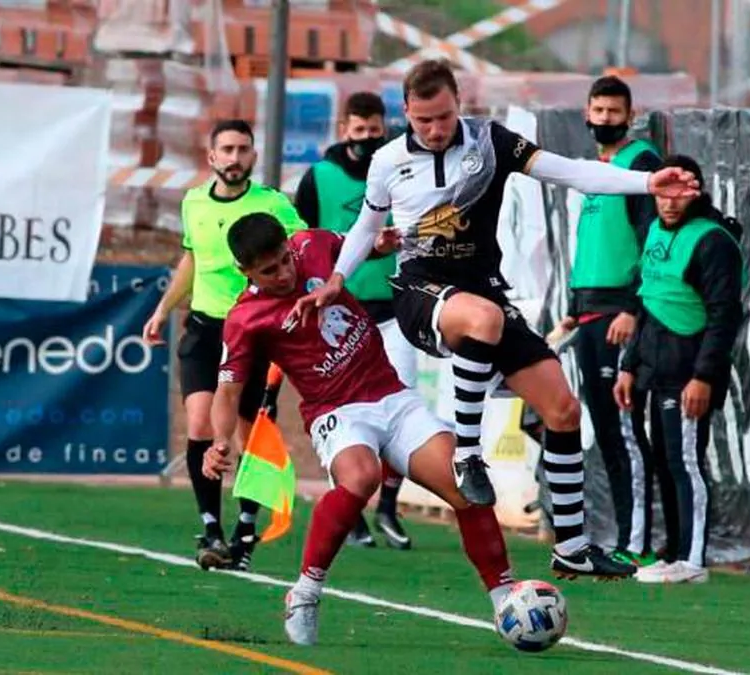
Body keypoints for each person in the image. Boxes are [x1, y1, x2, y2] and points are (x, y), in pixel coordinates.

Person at [290, 58, 700, 581]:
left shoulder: (491, 142)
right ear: (408, 115)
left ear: (460, 103)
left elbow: (569, 172)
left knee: (563, 408)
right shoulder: (389, 160)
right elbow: (367, 228)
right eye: (422, 121)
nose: (434, 130)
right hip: (420, 289)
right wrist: (336, 280)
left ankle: (571, 545)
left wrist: (648, 182)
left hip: (483, 288)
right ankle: (467, 456)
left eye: (442, 117)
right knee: (482, 320)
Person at [203, 215, 518, 646]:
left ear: (288, 246)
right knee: (362, 477)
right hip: (337, 412)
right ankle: (306, 593)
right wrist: (220, 440)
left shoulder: (310, 245)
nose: (283, 274)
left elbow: (356, 247)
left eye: (283, 261)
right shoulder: (245, 317)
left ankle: (506, 602)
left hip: (392, 396)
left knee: (464, 485)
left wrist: (382, 243)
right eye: (268, 271)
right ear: (246, 272)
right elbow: (227, 390)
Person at [142, 119, 307, 572]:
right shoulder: (194, 202)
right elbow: (193, 258)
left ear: (253, 156)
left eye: (243, 149)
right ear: (211, 157)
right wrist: (161, 309)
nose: (235, 158)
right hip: (205, 327)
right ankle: (211, 527)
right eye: (227, 150)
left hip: (254, 333)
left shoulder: (272, 204)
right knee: (199, 424)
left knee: (249, 435)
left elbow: (303, 251)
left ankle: (246, 530)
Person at [612, 154, 746, 585]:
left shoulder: (714, 241)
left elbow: (725, 316)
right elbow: (647, 300)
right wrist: (630, 365)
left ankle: (694, 560)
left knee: (686, 461)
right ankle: (672, 552)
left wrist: (703, 376)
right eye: (663, 194)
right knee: (667, 460)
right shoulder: (652, 230)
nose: (669, 204)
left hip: (690, 372)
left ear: (697, 191)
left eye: (680, 195)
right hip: (655, 366)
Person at [548, 75, 662, 568]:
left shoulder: (641, 165)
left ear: (629, 116)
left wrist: (633, 310)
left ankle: (639, 542)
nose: (605, 119)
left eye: (615, 111)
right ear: (586, 114)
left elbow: (652, 242)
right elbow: (591, 245)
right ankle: (620, 538)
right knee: (604, 432)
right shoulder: (590, 169)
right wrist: (573, 306)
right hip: (588, 315)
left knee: (627, 432)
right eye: (598, 110)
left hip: (620, 315)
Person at [294, 90, 415, 551]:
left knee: (402, 404)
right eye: (359, 130)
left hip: (393, 310)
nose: (367, 138)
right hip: (339, 317)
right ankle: (351, 505)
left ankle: (388, 505)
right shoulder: (319, 178)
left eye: (374, 129)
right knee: (344, 413)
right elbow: (302, 241)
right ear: (344, 129)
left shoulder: (397, 169)